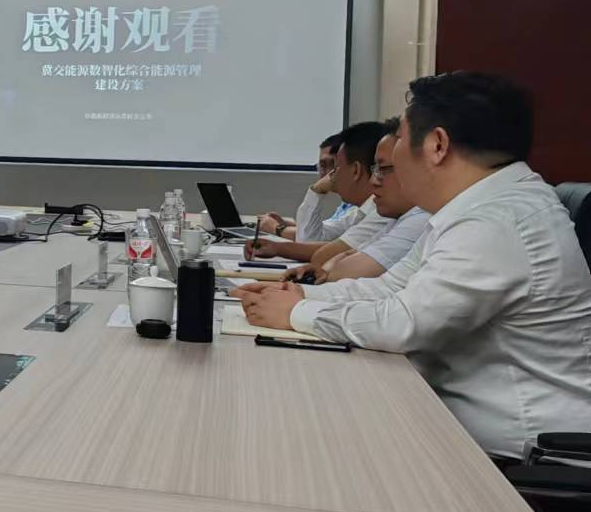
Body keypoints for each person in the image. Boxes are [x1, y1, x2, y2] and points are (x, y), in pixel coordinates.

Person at [240, 71, 591, 458]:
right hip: (459, 424)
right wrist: (297, 295)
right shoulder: (475, 207)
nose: (393, 159)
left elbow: (405, 324)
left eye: (402, 140)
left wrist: (297, 313)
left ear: (437, 145)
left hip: (518, 456)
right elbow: (392, 287)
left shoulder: (497, 221)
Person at [283, 126, 430, 282]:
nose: (373, 181)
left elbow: (328, 262)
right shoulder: (393, 216)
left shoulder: (415, 218)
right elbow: (330, 261)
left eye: (336, 169)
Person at [247, 120, 389, 262]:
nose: (332, 176)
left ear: (356, 171)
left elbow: (324, 253)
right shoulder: (360, 212)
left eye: (336, 168)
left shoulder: (383, 213)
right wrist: (316, 191)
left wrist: (279, 246)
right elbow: (310, 239)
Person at [257, 132, 349, 238]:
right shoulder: (347, 204)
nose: (328, 174)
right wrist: (285, 224)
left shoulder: (358, 209)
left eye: (333, 165)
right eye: (322, 166)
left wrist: (277, 228)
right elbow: (328, 230)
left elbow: (314, 238)